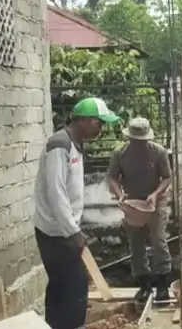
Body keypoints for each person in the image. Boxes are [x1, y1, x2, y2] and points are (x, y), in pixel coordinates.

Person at [33, 97, 120, 329]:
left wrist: (72, 229)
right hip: (55, 232)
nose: (101, 129)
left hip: (63, 230)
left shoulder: (74, 144)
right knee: (73, 286)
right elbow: (56, 191)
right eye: (97, 123)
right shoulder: (59, 145)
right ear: (81, 120)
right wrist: (72, 231)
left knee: (63, 286)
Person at [107, 117, 173, 303]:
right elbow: (112, 177)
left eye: (142, 141)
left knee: (159, 241)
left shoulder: (158, 152)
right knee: (136, 244)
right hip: (133, 203)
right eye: (136, 141)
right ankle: (144, 284)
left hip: (156, 202)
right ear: (130, 139)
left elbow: (167, 177)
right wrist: (120, 195)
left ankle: (162, 284)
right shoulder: (120, 154)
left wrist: (155, 194)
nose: (140, 144)